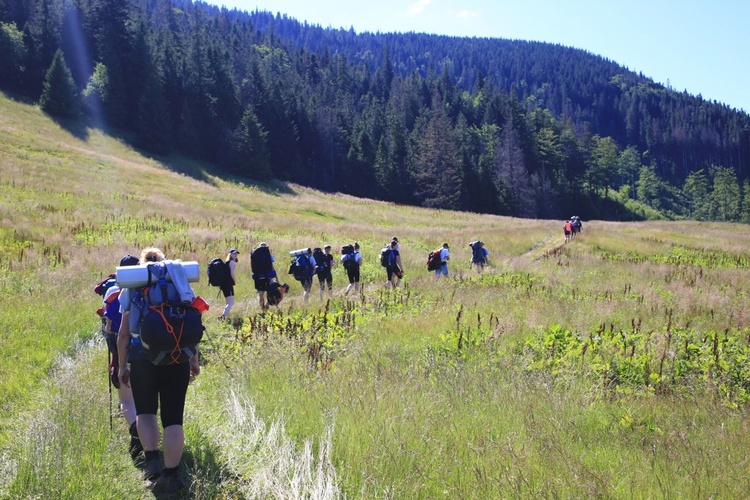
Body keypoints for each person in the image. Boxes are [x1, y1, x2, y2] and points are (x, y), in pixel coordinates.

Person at [117, 247, 200, 493]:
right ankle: (172, 476)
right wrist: (194, 360)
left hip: (143, 358)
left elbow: (123, 332)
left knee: (145, 412)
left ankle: (152, 463)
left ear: (142, 265)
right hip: (178, 358)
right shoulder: (180, 280)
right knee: (174, 420)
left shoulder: (134, 285)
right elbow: (191, 322)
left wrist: (122, 365)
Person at [102, 254, 140, 461]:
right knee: (145, 400)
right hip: (146, 351)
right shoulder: (148, 288)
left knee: (126, 399)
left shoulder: (113, 290)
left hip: (121, 350)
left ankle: (135, 428)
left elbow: (109, 327)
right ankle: (144, 433)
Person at [251, 242, 277, 311]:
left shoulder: (255, 254)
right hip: (268, 277)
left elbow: (252, 266)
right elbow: (272, 266)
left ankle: (262, 309)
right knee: (272, 291)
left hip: (258, 277)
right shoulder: (268, 255)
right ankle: (267, 305)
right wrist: (276, 278)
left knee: (261, 294)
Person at [219, 248, 239, 319]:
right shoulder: (232, 262)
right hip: (228, 284)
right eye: (234, 254)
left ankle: (227, 316)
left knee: (228, 302)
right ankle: (223, 316)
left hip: (224, 284)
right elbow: (232, 273)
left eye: (236, 254)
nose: (235, 255)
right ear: (230, 254)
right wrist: (234, 281)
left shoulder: (226, 262)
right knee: (231, 302)